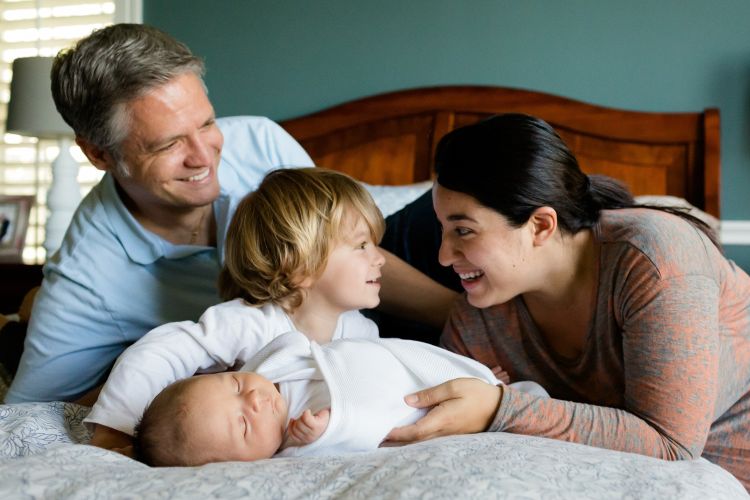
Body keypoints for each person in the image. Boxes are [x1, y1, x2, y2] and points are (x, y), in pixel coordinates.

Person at [4, 24, 456, 406]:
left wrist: (464, 315)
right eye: (168, 144)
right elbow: (30, 415)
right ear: (100, 154)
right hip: (304, 343)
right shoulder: (87, 276)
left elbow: (349, 249)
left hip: (363, 290)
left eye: (206, 123)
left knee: (457, 206)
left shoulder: (258, 141)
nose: (205, 157)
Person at [384, 113, 750, 490]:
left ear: (541, 225)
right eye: (442, 230)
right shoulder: (475, 321)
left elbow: (671, 442)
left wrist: (499, 407)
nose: (443, 257)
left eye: (464, 231)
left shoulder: (654, 258)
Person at [86, 167, 543, 465]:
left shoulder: (358, 329)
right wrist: (113, 431)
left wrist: (465, 378)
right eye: (362, 246)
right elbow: (162, 350)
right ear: (301, 264)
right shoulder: (251, 321)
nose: (380, 259)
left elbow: (391, 378)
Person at [134, 332, 539, 466]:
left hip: (409, 369)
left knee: (509, 393)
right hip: (415, 409)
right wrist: (323, 432)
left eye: (237, 386)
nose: (255, 401)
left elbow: (305, 345)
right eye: (242, 426)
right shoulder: (294, 445)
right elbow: (365, 438)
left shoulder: (277, 365)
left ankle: (492, 388)